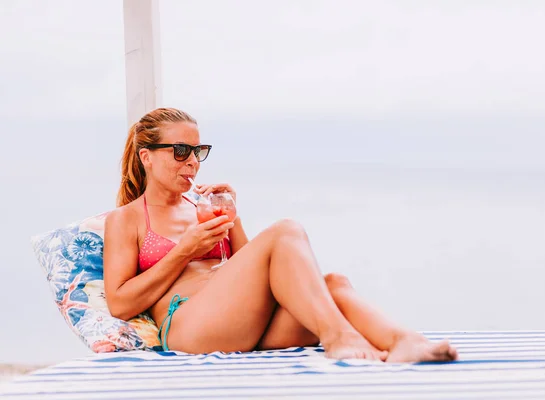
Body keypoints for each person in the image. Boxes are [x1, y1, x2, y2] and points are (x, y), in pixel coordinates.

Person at [104, 107, 458, 362]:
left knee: (335, 283)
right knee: (285, 230)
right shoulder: (127, 219)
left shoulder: (200, 205)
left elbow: (253, 270)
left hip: (239, 321)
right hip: (187, 327)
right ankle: (337, 336)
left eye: (199, 151)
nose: (193, 162)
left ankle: (404, 342)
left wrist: (233, 220)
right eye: (181, 151)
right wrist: (184, 251)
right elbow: (120, 304)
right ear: (146, 157)